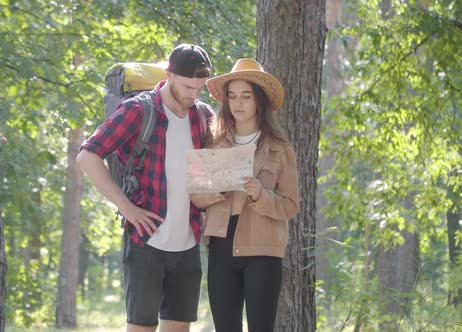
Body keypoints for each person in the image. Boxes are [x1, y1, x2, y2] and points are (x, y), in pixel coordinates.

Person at [76, 44, 214, 332]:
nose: (194, 94)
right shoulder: (138, 110)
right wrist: (125, 208)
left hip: (188, 242)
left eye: (199, 88)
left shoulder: (202, 116)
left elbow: (208, 176)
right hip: (145, 241)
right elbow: (88, 156)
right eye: (189, 86)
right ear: (169, 75)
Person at [191, 58, 300, 332]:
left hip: (263, 248)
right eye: (232, 96)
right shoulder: (213, 144)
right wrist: (215, 191)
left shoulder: (280, 149)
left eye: (246, 96)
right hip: (220, 245)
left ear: (259, 101)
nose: (238, 103)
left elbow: (290, 206)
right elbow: (196, 198)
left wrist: (259, 194)